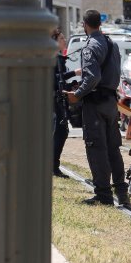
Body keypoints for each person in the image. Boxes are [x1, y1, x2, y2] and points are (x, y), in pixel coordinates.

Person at [66, 10, 130, 208]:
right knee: (113, 148)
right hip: (110, 102)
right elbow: (115, 73)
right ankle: (122, 192)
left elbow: (93, 77)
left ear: (85, 24)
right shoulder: (112, 44)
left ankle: (103, 195)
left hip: (94, 103)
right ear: (99, 24)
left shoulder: (89, 47)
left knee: (96, 149)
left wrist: (77, 94)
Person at [52, 27, 78, 179]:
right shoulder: (52, 58)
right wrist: (75, 72)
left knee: (61, 132)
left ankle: (54, 165)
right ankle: (53, 166)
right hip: (54, 100)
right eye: (61, 38)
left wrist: (72, 85)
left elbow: (60, 81)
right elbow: (54, 78)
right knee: (60, 132)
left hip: (59, 99)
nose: (64, 40)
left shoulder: (57, 57)